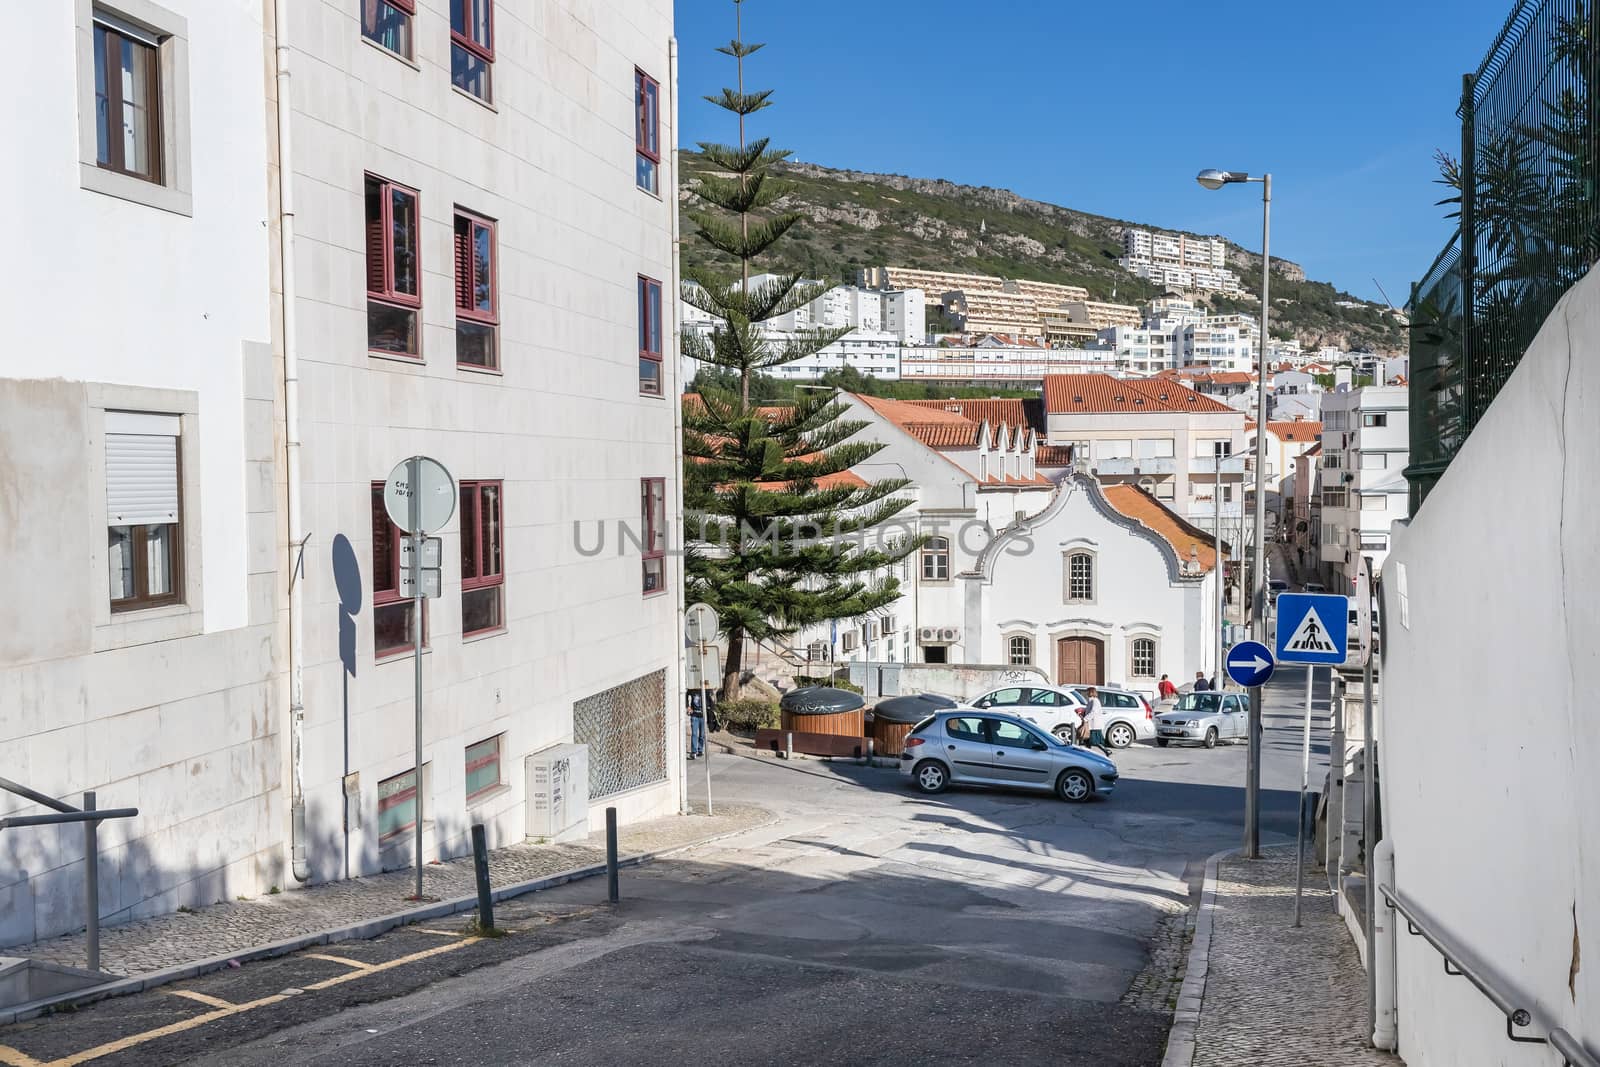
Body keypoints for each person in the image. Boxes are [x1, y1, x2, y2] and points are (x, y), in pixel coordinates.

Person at [1078, 687, 1112, 756]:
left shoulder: (1095, 701)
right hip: (1091, 724)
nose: (1086, 693)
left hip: (1094, 725)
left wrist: (1085, 719)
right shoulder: (1091, 701)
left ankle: (1106, 751)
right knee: (1088, 740)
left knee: (1095, 741)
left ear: (1091, 692)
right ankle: (1088, 753)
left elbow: (1094, 712)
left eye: (1087, 692)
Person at [686, 692, 705, 760]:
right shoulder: (693, 689)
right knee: (694, 734)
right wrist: (688, 706)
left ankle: (700, 750)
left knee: (702, 735)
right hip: (694, 716)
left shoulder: (705, 690)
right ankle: (693, 752)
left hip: (703, 716)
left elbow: (710, 701)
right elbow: (686, 694)